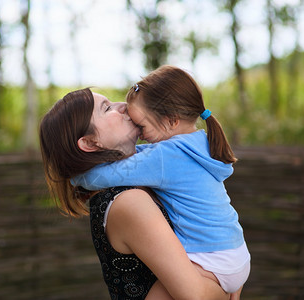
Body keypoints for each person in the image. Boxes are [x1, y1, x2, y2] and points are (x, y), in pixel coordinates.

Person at [72, 65, 251, 295]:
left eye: (142, 126)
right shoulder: (200, 143)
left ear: (171, 121)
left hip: (209, 258)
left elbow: (109, 174)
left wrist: (77, 176)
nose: (142, 135)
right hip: (236, 252)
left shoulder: (165, 157)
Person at [39, 88, 229, 300]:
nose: (123, 105)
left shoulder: (139, 182)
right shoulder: (129, 201)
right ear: (91, 142)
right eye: (107, 108)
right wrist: (230, 278)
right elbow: (197, 296)